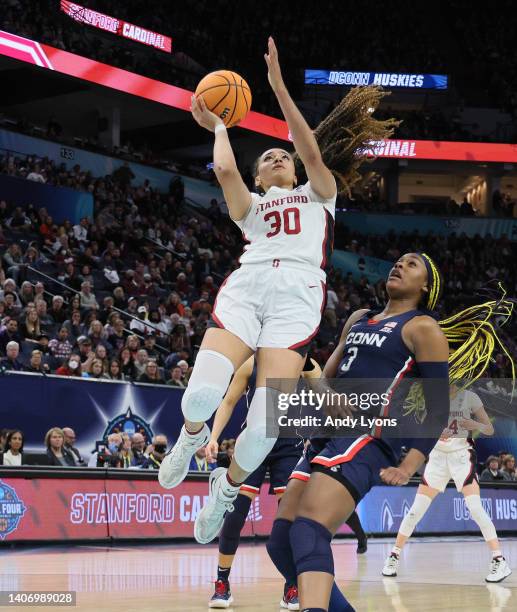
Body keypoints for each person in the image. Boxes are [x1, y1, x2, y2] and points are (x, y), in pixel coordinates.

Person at [158, 37, 397, 550]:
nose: (277, 158)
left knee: (266, 427)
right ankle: (193, 435)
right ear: (259, 176)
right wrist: (220, 126)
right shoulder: (250, 209)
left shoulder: (320, 195)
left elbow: (308, 147)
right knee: (201, 393)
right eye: (267, 157)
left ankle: (226, 488)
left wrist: (279, 89)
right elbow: (224, 170)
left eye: (282, 155)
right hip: (250, 286)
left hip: (296, 298)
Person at [266, 254, 514, 611]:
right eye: (398, 262)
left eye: (412, 265)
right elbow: (327, 377)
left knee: (308, 530)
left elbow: (437, 407)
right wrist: (306, 364)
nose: (399, 266)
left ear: (426, 286)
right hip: (327, 431)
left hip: (369, 437)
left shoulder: (422, 328)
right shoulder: (358, 319)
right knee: (281, 542)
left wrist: (411, 463)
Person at [382, 386, 512, 583]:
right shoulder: (429, 396)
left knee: (476, 509)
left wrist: (473, 423)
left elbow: (489, 428)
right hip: (437, 458)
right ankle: (394, 555)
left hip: (461, 457)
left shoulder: (470, 397)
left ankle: (499, 559)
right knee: (415, 511)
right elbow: (417, 426)